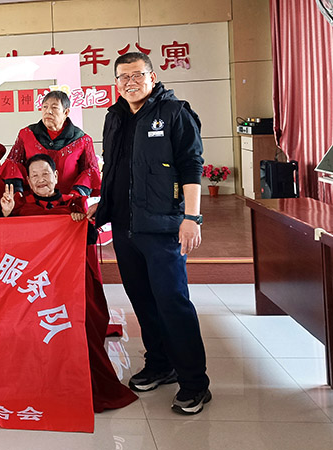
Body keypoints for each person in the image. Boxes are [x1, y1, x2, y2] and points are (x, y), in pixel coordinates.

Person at [91, 52, 210, 415]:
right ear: (116, 83)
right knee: (142, 300)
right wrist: (102, 210)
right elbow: (113, 170)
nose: (130, 82)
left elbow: (191, 165)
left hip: (163, 227)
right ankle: (160, 364)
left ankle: (195, 383)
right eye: (123, 77)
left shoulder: (174, 113)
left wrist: (192, 217)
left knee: (172, 302)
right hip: (125, 228)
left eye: (137, 75)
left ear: (152, 77)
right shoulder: (114, 117)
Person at [1, 154, 138, 413]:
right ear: (28, 181)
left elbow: (90, 238)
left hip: (70, 283)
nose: (41, 179)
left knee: (80, 327)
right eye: (35, 176)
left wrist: (80, 223)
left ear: (56, 176)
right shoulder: (20, 207)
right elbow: (7, 246)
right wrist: (7, 216)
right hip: (34, 288)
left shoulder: (73, 203)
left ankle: (82, 385)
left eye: (45, 173)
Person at [0, 90, 99, 197]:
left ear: (66, 112)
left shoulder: (82, 139)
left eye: (54, 107)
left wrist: (75, 195)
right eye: (45, 107)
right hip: (33, 202)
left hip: (67, 201)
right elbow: (13, 164)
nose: (48, 111)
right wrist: (17, 192)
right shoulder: (27, 134)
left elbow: (89, 172)